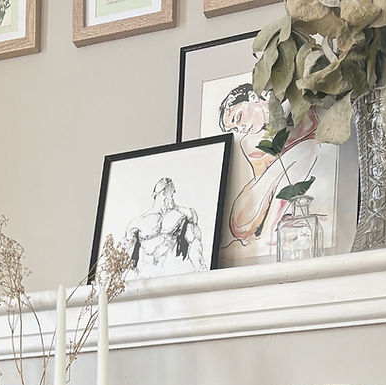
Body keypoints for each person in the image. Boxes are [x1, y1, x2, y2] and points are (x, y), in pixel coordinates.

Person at [218, 83, 321, 252]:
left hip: (300, 170)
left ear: (252, 97)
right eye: (236, 128)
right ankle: (273, 230)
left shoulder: (296, 106)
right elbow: (264, 186)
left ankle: (276, 228)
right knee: (307, 150)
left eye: (238, 118)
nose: (241, 128)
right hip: (252, 212)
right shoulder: (249, 142)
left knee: (309, 148)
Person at [124, 177, 206, 277]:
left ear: (172, 192)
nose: (166, 196)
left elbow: (195, 246)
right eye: (163, 193)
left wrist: (203, 274)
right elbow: (125, 257)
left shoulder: (184, 214)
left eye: (168, 192)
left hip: (173, 277)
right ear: (156, 194)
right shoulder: (137, 223)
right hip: (144, 279)